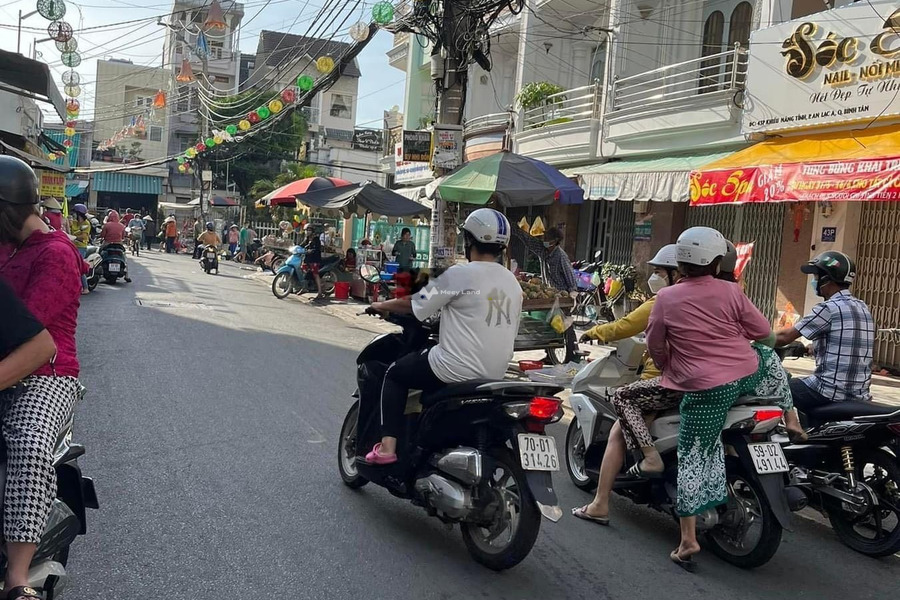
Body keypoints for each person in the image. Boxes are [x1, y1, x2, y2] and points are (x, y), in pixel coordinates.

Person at [645, 227, 795, 571]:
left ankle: (687, 540)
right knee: (766, 354)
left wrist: (668, 365)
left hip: (705, 390)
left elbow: (655, 343)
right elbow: (764, 334)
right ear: (715, 262)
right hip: (744, 376)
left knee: (693, 456)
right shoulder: (731, 291)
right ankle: (791, 416)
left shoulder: (666, 298)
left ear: (680, 262)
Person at [364, 208, 523, 464]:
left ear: (468, 240)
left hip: (454, 368)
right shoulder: (512, 282)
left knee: (394, 375)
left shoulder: (460, 273)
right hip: (496, 372)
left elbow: (415, 304)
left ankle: (387, 448)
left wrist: (382, 306)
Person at [0, 156, 86, 599]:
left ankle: (16, 575)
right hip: (7, 364)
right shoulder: (7, 246)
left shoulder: (56, 254)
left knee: (28, 443)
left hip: (46, 375)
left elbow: (27, 331)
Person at [572, 244, 685, 525]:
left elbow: (625, 326)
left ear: (674, 273)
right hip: (706, 383)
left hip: (663, 381)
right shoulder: (710, 297)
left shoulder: (664, 300)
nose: (655, 276)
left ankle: (601, 503)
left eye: (659, 271)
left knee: (617, 431)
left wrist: (593, 332)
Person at [775, 251, 874, 411]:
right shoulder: (862, 307)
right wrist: (810, 348)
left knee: (775, 388)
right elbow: (845, 342)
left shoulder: (829, 308)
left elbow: (784, 337)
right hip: (859, 393)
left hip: (829, 390)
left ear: (827, 279)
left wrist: (754, 337)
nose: (814, 281)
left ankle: (792, 428)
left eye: (816, 277)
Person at [511, 225, 578, 359]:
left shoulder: (560, 256)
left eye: (548, 239)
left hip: (561, 294)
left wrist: (572, 294)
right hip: (549, 293)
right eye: (545, 238)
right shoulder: (543, 251)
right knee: (550, 325)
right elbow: (528, 240)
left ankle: (573, 353)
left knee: (565, 325)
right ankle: (550, 354)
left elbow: (570, 275)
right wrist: (514, 228)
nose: (545, 241)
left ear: (555, 241)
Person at [99, 209, 131, 283]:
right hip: (119, 244)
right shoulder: (122, 226)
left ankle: (98, 271)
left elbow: (102, 235)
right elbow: (123, 236)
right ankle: (127, 276)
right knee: (124, 258)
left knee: (99, 254)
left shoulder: (107, 225)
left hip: (107, 243)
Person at [71, 203, 92, 294]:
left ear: (79, 213)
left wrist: (73, 237)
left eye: (75, 213)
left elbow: (83, 236)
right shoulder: (74, 222)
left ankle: (85, 287)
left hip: (81, 247)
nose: (73, 215)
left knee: (79, 267)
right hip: (72, 246)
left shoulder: (86, 223)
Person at [302, 224, 325, 302]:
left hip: (314, 259)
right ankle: (304, 288)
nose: (307, 232)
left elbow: (316, 249)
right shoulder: (307, 239)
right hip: (307, 259)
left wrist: (311, 250)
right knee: (304, 271)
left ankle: (320, 292)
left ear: (312, 231)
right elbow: (302, 245)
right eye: (306, 230)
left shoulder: (316, 239)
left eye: (309, 230)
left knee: (315, 274)